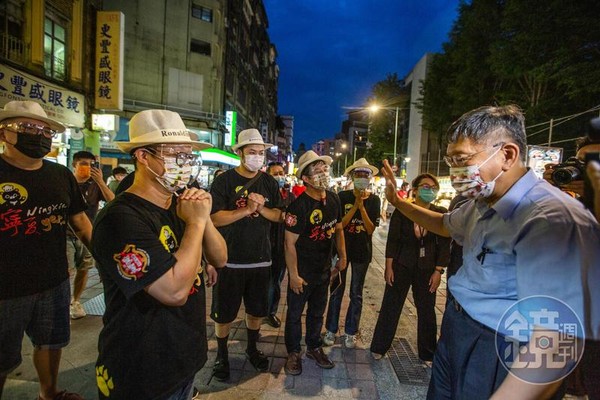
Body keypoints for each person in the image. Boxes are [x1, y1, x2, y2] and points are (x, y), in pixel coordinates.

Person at [381, 105, 600, 399]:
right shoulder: (480, 203)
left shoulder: (551, 218)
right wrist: (399, 201)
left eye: (462, 160)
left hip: (500, 348)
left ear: (507, 155)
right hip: (457, 329)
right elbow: (445, 225)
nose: (455, 171)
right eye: (451, 160)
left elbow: (556, 343)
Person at [91, 109, 227, 399]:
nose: (185, 164)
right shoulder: (121, 218)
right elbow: (174, 290)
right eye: (175, 154)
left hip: (183, 358)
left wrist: (203, 218)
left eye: (189, 156)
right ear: (143, 156)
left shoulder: (182, 203)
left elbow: (220, 258)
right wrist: (195, 222)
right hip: (141, 367)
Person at [0, 100, 92, 400]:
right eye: (27, 127)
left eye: (44, 129)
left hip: (53, 281)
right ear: (4, 133)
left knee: (51, 342)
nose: (38, 134)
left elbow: (79, 221)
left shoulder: (59, 175)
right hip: (5, 289)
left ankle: (49, 393)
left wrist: (105, 256)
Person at [209, 129, 284, 381]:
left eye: (261, 153)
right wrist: (246, 209)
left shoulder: (269, 183)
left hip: (261, 259)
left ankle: (252, 348)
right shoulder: (224, 182)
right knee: (224, 313)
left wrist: (260, 209)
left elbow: (279, 215)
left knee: (256, 311)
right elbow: (215, 218)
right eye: (252, 152)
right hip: (228, 260)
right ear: (239, 153)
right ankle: (221, 355)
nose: (257, 157)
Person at [370, 173, 450, 365]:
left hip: (427, 268)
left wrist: (438, 271)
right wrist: (389, 266)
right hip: (401, 264)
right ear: (414, 190)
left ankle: (427, 352)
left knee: (427, 310)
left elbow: (445, 243)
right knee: (391, 305)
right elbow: (393, 240)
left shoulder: (439, 213)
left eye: (433, 188)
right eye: (425, 187)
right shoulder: (404, 210)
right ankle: (379, 347)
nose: (429, 190)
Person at [283, 151, 347, 376]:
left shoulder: (334, 199)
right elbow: (289, 244)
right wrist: (293, 275)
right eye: (317, 171)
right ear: (306, 179)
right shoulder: (298, 207)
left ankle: (313, 347)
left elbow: (338, 229)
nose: (323, 173)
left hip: (324, 271)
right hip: (302, 273)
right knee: (294, 314)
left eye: (325, 169)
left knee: (317, 313)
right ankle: (293, 352)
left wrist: (342, 257)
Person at [323, 158, 380, 348]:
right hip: (342, 251)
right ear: (352, 177)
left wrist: (362, 206)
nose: (362, 178)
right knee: (337, 291)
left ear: (370, 178)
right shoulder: (342, 197)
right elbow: (341, 225)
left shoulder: (374, 200)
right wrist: (355, 204)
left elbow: (371, 229)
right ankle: (331, 330)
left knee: (356, 293)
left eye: (365, 175)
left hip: (362, 253)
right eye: (358, 174)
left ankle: (350, 331)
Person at [67, 151, 115, 319]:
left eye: (91, 164)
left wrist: (100, 181)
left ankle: (75, 300)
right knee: (67, 270)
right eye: (83, 164)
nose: (88, 168)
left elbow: (113, 201)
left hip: (88, 234)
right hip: (65, 234)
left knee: (84, 268)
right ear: (74, 165)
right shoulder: (66, 182)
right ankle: (63, 301)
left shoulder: (95, 185)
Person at [265, 161, 296, 327]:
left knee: (276, 281)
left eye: (280, 173)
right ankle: (259, 311)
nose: (279, 176)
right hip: (264, 246)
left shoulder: (290, 197)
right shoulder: (264, 197)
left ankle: (270, 312)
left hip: (282, 247)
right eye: (275, 173)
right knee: (265, 282)